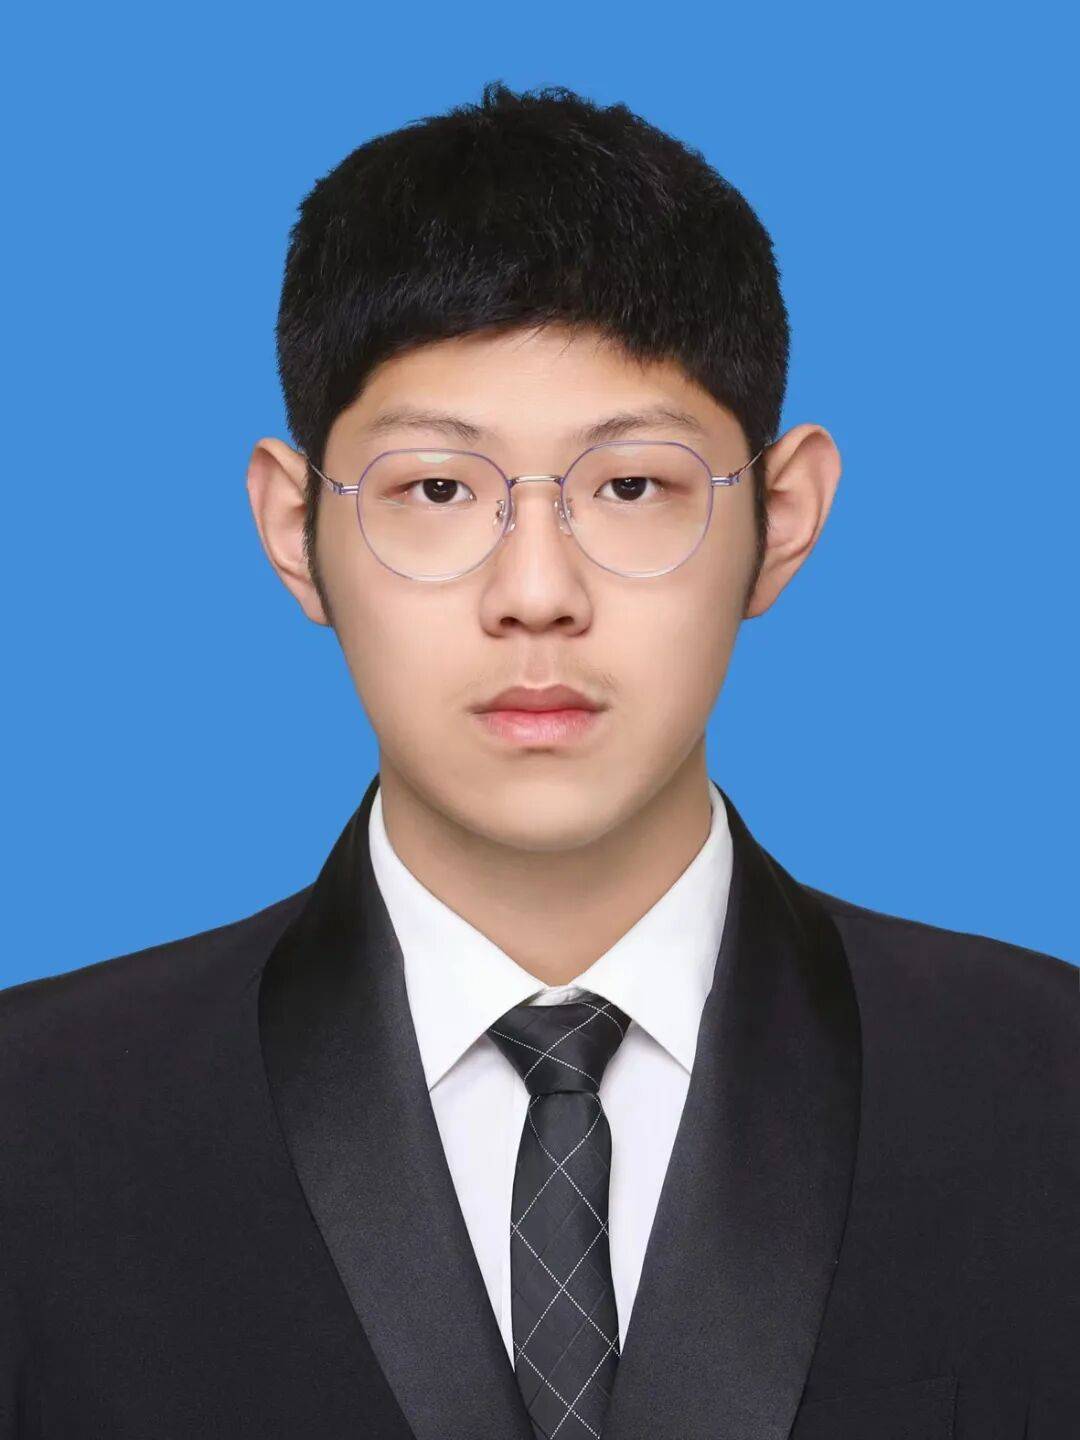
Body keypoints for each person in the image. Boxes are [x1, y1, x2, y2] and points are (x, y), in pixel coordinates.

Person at [1, 81, 1076, 1440]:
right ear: (292, 529)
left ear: (784, 516)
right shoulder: (35, 1125)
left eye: (630, 486)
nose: (535, 595)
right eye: (436, 490)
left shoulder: (1046, 1090)